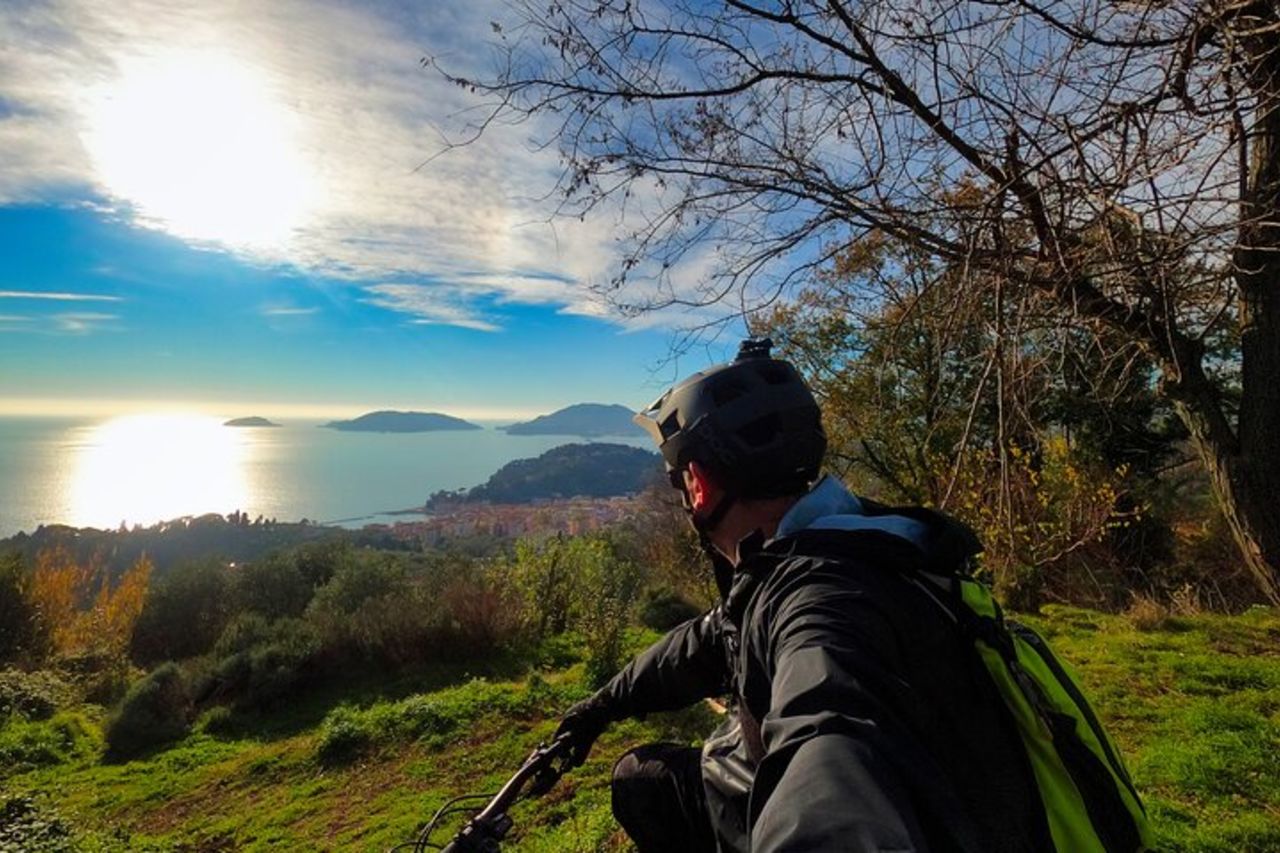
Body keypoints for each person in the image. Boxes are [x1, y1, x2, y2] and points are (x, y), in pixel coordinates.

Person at [553, 338, 1052, 852]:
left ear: (697, 485)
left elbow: (828, 731)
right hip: (969, 797)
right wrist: (601, 705)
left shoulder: (817, 602)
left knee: (640, 781)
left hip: (934, 815)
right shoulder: (854, 546)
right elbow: (711, 637)